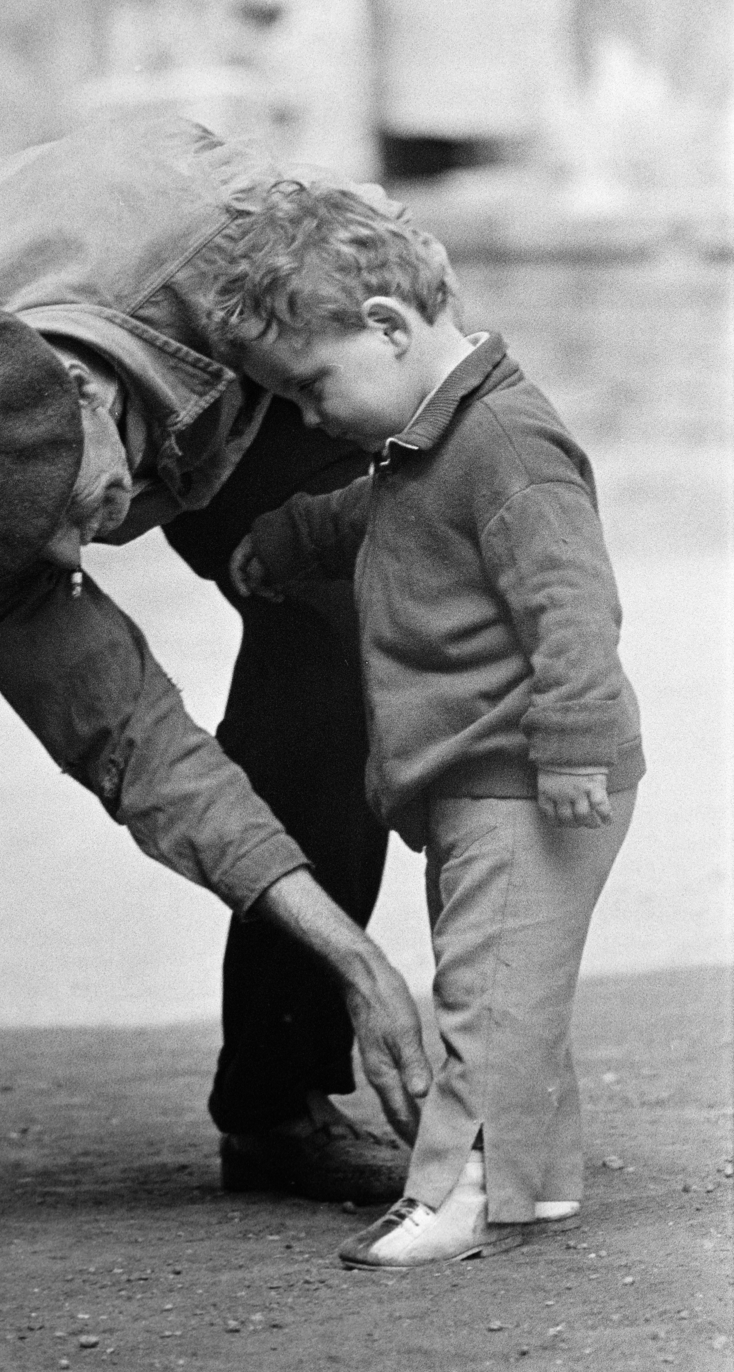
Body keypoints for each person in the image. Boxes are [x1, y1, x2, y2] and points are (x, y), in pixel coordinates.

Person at [0, 112, 435, 1272]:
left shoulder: (245, 270)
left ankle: (279, 1097)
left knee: (338, 620)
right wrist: (357, 954)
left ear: (89, 408)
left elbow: (413, 325)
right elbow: (131, 739)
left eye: (80, 518)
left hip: (190, 320)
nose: (83, 564)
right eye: (54, 548)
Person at [225, 185, 645, 1269]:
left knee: (482, 992)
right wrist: (281, 542)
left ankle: (457, 1189)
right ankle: (532, 1187)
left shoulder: (504, 441)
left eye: (312, 388)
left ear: (386, 326)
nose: (309, 418)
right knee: (515, 990)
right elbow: (365, 517)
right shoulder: (423, 445)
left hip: (528, 771)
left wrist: (567, 747)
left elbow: (572, 602)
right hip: (472, 777)